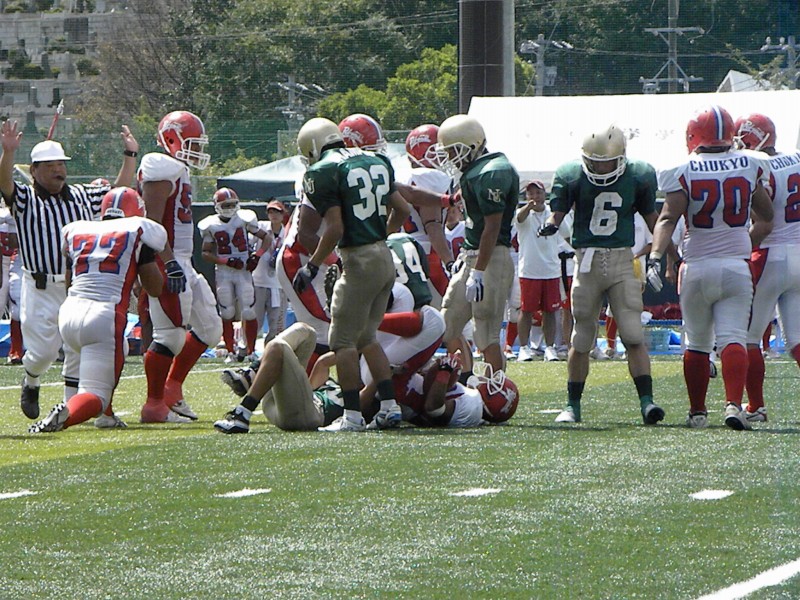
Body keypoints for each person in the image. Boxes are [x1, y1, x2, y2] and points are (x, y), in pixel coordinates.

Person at [0, 119, 139, 420]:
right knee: (43, 353)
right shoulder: (25, 198)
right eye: (50, 165)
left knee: (76, 346)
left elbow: (118, 191)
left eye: (61, 164)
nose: (58, 170)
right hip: (40, 286)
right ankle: (31, 379)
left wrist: (130, 155)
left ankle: (68, 409)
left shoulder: (81, 195)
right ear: (34, 171)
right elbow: (5, 183)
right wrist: (8, 152)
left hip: (76, 285)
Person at [648, 105, 773, 429]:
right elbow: (766, 216)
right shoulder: (750, 163)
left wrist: (656, 256)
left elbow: (667, 218)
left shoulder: (683, 169)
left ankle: (698, 412)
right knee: (733, 337)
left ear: (693, 135)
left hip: (697, 265)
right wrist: (741, 239)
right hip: (735, 266)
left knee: (697, 342)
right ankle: (733, 405)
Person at [539, 123, 665, 425]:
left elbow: (655, 219)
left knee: (632, 333)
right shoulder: (572, 174)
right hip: (587, 261)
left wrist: (665, 256)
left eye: (606, 161)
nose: (599, 167)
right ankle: (572, 405)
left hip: (622, 259)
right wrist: (552, 223)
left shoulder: (638, 175)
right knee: (581, 337)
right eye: (594, 161)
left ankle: (647, 402)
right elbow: (557, 212)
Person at [292, 117, 410, 432]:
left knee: (342, 342)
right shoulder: (375, 160)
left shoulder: (322, 170)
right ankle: (389, 407)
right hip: (384, 256)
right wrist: (379, 236)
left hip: (358, 259)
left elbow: (334, 228)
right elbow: (404, 210)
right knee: (367, 338)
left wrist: (313, 264)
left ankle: (353, 416)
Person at [29, 187, 166, 433]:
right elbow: (155, 288)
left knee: (112, 351)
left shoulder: (78, 230)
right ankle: (66, 416)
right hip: (104, 315)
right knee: (97, 395)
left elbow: (70, 281)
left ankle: (103, 414)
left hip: (70, 311)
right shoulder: (136, 230)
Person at [138, 110, 222, 423]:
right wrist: (169, 262)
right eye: (193, 144)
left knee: (210, 328)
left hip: (183, 262)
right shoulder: (160, 166)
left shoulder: (178, 169)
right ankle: (154, 404)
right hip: (166, 261)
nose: (197, 151)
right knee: (169, 335)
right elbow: (152, 224)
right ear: (172, 139)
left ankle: (172, 388)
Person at [434, 114, 518, 375]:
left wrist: (479, 271)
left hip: (491, 258)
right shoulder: (475, 172)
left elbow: (492, 227)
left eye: (453, 150)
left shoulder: (492, 172)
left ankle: (496, 387)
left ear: (472, 145)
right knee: (447, 322)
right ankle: (465, 376)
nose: (450, 157)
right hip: (471, 256)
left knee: (485, 330)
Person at [734, 112, 800, 425]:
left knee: (749, 337)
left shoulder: (757, 166)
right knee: (797, 339)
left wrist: (738, 251)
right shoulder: (797, 158)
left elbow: (764, 222)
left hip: (771, 253)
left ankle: (756, 405)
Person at [198, 187, 269, 362]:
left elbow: (267, 238)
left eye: (232, 204)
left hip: (243, 270)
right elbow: (205, 253)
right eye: (226, 205)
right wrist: (225, 261)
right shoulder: (210, 225)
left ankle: (251, 351)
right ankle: (230, 351)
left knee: (249, 311)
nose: (230, 208)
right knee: (227, 311)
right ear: (217, 206)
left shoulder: (244, 219)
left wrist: (257, 256)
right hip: (224, 272)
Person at [398, 124, 455, 307]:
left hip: (402, 251)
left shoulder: (401, 176)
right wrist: (449, 261)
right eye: (438, 151)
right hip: (428, 254)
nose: (444, 157)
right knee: (448, 313)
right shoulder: (429, 176)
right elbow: (432, 225)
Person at [515, 179, 566, 362]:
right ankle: (524, 347)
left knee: (550, 311)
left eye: (538, 193)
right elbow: (519, 219)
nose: (535, 197)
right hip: (530, 270)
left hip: (551, 269)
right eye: (531, 193)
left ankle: (550, 348)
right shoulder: (523, 213)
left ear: (545, 194)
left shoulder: (554, 214)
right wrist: (529, 206)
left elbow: (567, 234)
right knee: (526, 310)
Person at [251, 200, 288, 344]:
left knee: (276, 325)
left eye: (277, 212)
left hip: (278, 285)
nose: (274, 215)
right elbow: (249, 242)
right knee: (255, 321)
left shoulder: (288, 232)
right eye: (271, 212)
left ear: (283, 214)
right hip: (259, 282)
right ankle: (247, 349)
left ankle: (271, 351)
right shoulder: (261, 227)